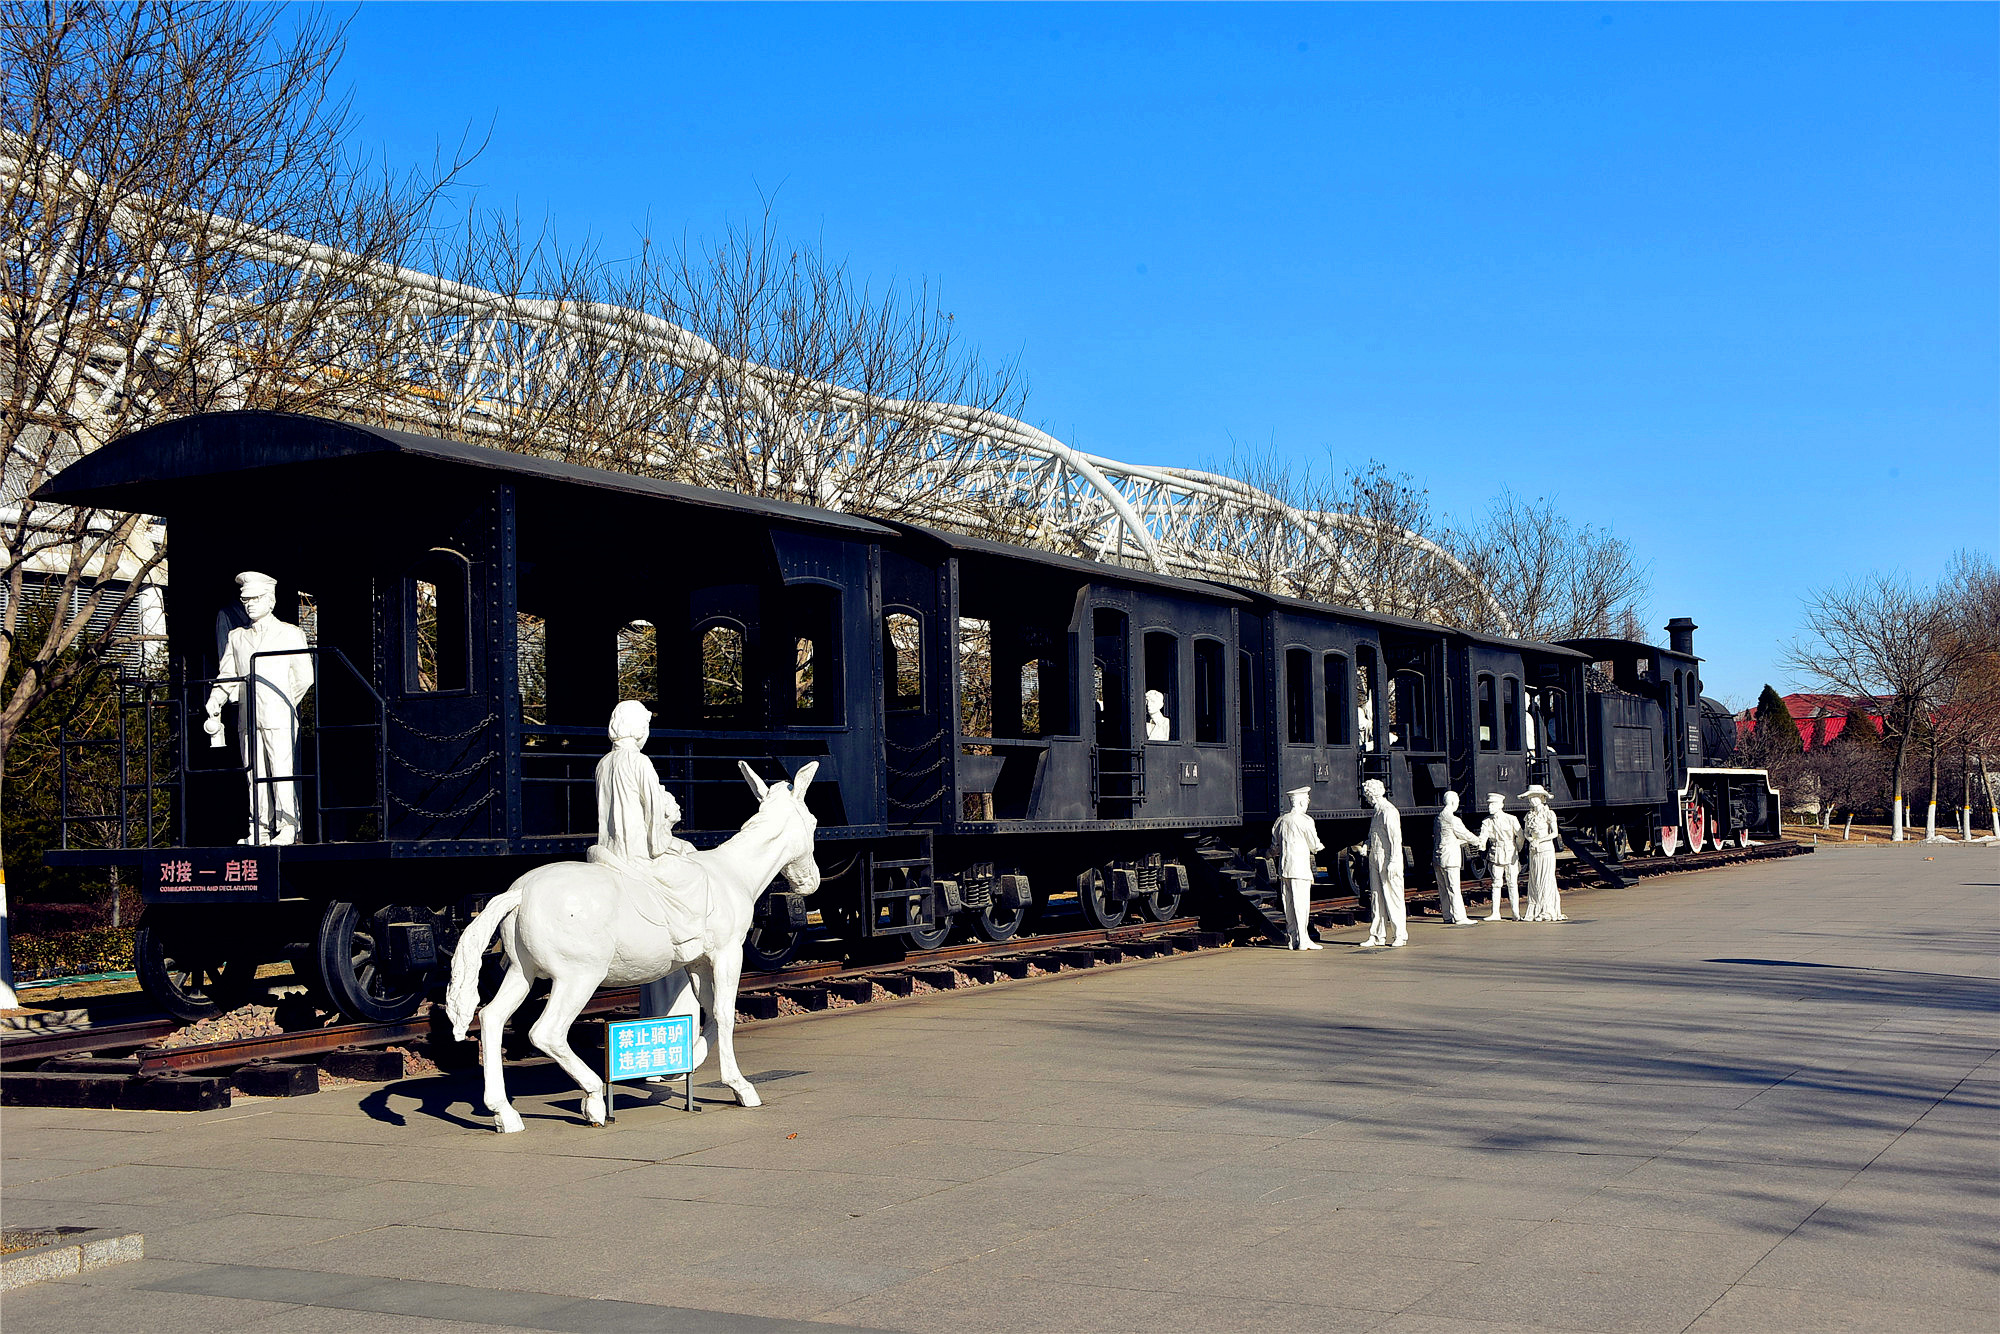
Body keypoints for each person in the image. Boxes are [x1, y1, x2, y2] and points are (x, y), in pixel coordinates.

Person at [204, 571, 313, 845]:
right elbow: (227, 674)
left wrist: (284, 702)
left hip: (279, 713)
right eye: (246, 600)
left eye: (255, 599)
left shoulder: (290, 633)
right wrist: (216, 699)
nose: (249, 604)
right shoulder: (236, 637)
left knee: (282, 771)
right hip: (247, 716)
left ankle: (288, 826)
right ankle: (260, 828)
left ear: (270, 600)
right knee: (254, 773)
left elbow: (305, 677)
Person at [590, 700, 703, 950]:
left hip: (609, 847)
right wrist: (665, 831)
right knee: (693, 866)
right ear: (640, 729)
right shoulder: (639, 762)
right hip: (635, 850)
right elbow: (653, 811)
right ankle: (687, 936)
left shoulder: (603, 764)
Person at [1271, 786, 1324, 950]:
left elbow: (1275, 847)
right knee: (1301, 905)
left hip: (1285, 868)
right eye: (1307, 800)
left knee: (1289, 904)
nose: (1308, 803)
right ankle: (1303, 940)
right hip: (1300, 869)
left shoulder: (1281, 820)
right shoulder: (1306, 821)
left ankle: (1292, 938)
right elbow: (1314, 845)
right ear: (1301, 802)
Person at [1358, 778, 1406, 948]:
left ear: (1373, 794)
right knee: (1376, 897)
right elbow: (1374, 836)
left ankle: (1399, 934)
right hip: (1375, 858)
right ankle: (1377, 935)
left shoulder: (1388, 811)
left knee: (1393, 897)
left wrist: (1393, 860)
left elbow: (1395, 839)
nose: (1366, 798)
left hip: (1388, 859)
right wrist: (1366, 846)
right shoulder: (1377, 812)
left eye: (1367, 795)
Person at [1432, 791, 1481, 925]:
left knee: (1443, 889)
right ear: (1453, 802)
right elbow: (1465, 834)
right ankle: (1460, 917)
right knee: (1454, 888)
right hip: (1450, 858)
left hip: (1438, 856)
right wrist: (1477, 840)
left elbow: (1446, 837)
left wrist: (1461, 841)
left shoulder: (1438, 818)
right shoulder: (1453, 819)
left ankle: (1447, 916)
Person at [1521, 784, 1566, 922]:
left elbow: (1554, 833)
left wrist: (1539, 840)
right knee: (1535, 879)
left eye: (1534, 797)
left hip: (1545, 849)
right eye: (1530, 797)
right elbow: (1526, 833)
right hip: (1534, 849)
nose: (1531, 800)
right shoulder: (1529, 815)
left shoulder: (1549, 813)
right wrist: (1531, 840)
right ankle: (1534, 910)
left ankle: (1547, 910)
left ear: (1542, 797)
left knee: (1545, 878)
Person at [1478, 792, 1523, 920]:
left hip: (1510, 853)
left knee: (1512, 883)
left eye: (1493, 804)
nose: (1490, 806)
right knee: (1496, 884)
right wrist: (1480, 845)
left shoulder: (1511, 819)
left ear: (1500, 805)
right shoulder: (1486, 821)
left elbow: (1520, 836)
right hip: (1495, 853)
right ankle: (1495, 913)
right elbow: (1483, 836)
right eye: (1489, 804)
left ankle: (1515, 912)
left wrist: (1517, 849)